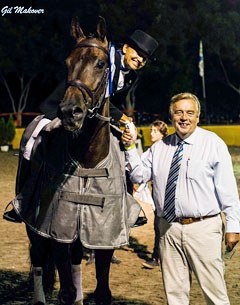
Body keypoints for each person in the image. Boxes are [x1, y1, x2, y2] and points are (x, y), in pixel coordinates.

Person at [122, 92, 240, 305]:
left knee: (215, 293)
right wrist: (130, 148)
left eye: (189, 113)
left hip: (203, 228)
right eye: (178, 113)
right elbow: (138, 175)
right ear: (171, 116)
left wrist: (233, 226)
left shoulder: (213, 144)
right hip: (168, 229)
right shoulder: (159, 148)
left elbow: (228, 189)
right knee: (175, 294)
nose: (184, 117)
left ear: (197, 116)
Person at [140, 120, 168, 269]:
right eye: (151, 130)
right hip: (157, 193)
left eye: (155, 131)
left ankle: (157, 257)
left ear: (163, 134)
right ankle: (158, 256)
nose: (151, 133)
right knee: (159, 225)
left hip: (164, 195)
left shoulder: (162, 149)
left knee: (160, 226)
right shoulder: (153, 149)